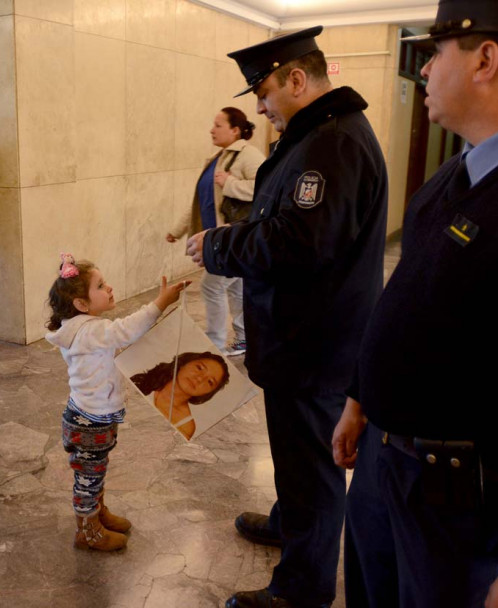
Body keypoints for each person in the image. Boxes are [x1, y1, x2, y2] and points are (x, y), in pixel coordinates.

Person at [331, 1, 498, 606]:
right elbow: (406, 299)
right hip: (385, 462)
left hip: (462, 500)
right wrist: (359, 397)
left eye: (436, 54)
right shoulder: (457, 172)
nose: (424, 72)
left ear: (485, 59)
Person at [186, 26, 388, 608]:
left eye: (264, 91)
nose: (259, 105)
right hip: (302, 335)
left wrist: (221, 245)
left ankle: (302, 589)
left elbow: (301, 242)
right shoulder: (318, 134)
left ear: (298, 79)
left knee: (314, 467)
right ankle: (289, 520)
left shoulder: (333, 143)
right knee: (295, 454)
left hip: (315, 341)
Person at [45, 253, 189, 551]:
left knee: (95, 470)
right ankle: (87, 531)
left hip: (90, 417)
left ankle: (97, 513)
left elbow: (120, 340)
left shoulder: (83, 329)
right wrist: (159, 303)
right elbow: (125, 329)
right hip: (90, 421)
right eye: (101, 285)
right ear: (81, 304)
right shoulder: (90, 330)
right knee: (88, 477)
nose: (108, 288)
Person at [167, 108, 265, 357]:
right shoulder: (217, 158)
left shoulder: (248, 155)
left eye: (218, 125)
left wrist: (230, 183)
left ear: (235, 130)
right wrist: (177, 230)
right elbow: (201, 202)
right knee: (234, 288)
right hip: (217, 237)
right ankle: (244, 338)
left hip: (234, 237)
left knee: (212, 286)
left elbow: (266, 190)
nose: (212, 129)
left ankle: (215, 346)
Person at [130, 351, 230, 440]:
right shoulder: (142, 379)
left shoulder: (186, 425)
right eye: (199, 368)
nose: (200, 378)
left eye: (210, 382)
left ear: (209, 393)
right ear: (184, 363)